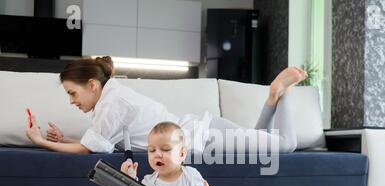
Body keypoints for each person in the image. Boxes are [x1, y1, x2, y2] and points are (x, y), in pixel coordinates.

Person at [25, 56, 307, 154]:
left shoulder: (113, 103)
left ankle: (283, 92)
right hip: (205, 131)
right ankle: (272, 99)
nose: (71, 101)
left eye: (72, 93)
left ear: (91, 84)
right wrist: (65, 139)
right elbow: (101, 142)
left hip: (204, 139)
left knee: (285, 145)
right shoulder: (110, 99)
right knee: (264, 141)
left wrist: (42, 142)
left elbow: (88, 148)